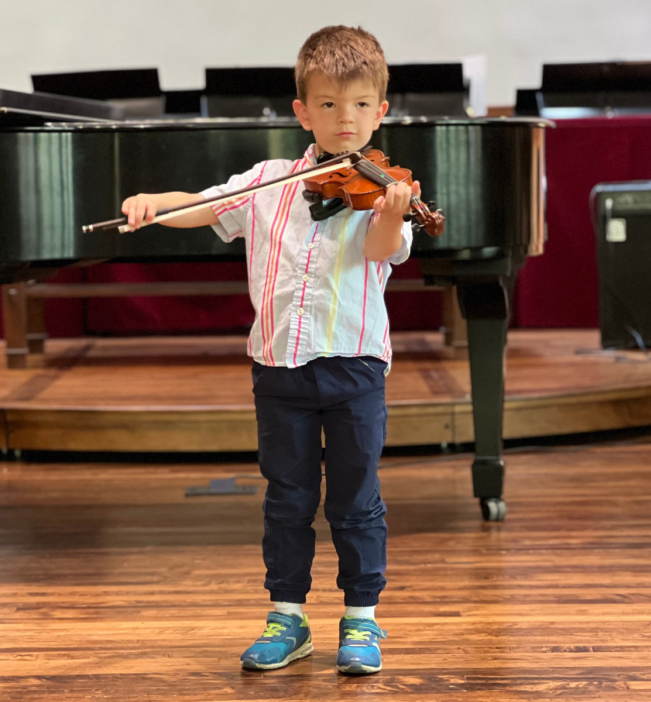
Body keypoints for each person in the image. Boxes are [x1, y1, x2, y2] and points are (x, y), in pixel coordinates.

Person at [120, 25, 416, 675]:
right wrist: (155, 206)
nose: (347, 119)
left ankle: (362, 621)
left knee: (355, 498)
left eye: (362, 104)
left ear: (381, 111)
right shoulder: (268, 180)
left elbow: (376, 251)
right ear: (302, 111)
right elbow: (206, 206)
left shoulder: (382, 191)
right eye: (330, 105)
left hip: (354, 366)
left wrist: (393, 211)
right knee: (286, 497)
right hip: (278, 367)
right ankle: (288, 616)